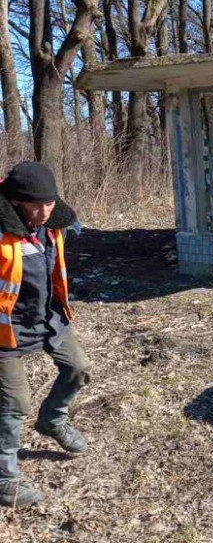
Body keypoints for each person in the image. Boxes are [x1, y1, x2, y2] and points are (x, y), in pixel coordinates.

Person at [0, 162, 90, 507]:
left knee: (78, 368)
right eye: (37, 205)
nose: (44, 211)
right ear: (16, 201)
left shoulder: (52, 221)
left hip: (47, 315)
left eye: (50, 203)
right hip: (5, 327)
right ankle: (5, 480)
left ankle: (52, 420)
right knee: (13, 403)